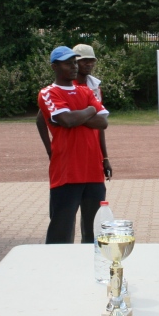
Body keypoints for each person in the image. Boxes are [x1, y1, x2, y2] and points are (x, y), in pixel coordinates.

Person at [37, 46, 109, 244]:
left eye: (75, 62)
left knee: (94, 232)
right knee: (61, 232)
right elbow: (67, 120)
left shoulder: (86, 91)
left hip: (93, 170)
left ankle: (91, 262)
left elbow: (103, 122)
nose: (74, 66)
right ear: (54, 67)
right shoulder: (48, 93)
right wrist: (89, 110)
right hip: (67, 171)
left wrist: (76, 115)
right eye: (68, 63)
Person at [36, 43, 112, 181]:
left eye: (91, 60)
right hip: (69, 156)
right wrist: (50, 149)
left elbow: (101, 123)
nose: (88, 64)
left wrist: (105, 157)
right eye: (84, 61)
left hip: (92, 155)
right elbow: (43, 118)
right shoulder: (60, 88)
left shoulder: (94, 87)